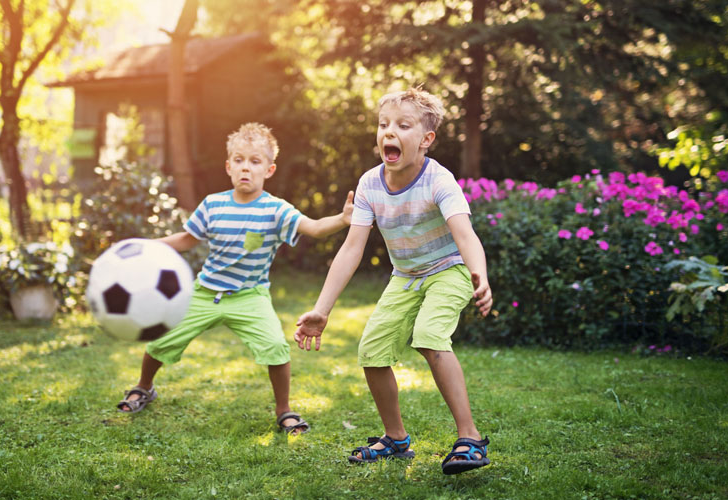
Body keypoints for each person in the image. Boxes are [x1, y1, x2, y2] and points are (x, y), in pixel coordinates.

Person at [293, 88, 494, 473]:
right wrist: (322, 309)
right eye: (384, 124)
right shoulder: (370, 184)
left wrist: (479, 275)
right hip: (406, 276)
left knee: (430, 336)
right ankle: (396, 440)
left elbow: (465, 234)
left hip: (449, 270)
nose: (390, 131)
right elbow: (352, 249)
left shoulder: (439, 180)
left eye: (403, 125)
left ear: (425, 140)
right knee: (372, 350)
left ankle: (470, 438)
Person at [117, 122, 354, 436]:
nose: (246, 168)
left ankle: (284, 410)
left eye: (255, 162)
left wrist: (341, 219)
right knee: (161, 340)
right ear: (228, 166)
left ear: (268, 170)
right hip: (206, 292)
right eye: (239, 160)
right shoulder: (213, 205)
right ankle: (143, 387)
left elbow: (313, 227)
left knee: (275, 347)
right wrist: (146, 245)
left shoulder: (275, 210)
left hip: (250, 295)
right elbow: (187, 239)